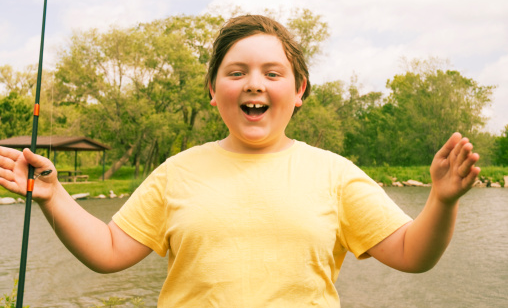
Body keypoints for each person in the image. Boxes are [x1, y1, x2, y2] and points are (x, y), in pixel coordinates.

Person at [0, 15, 480, 307]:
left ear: (299, 91)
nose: (255, 83)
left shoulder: (335, 173)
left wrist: (441, 200)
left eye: (273, 73)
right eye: (237, 72)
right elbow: (108, 251)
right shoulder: (176, 172)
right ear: (213, 92)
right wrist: (52, 195)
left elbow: (412, 254)